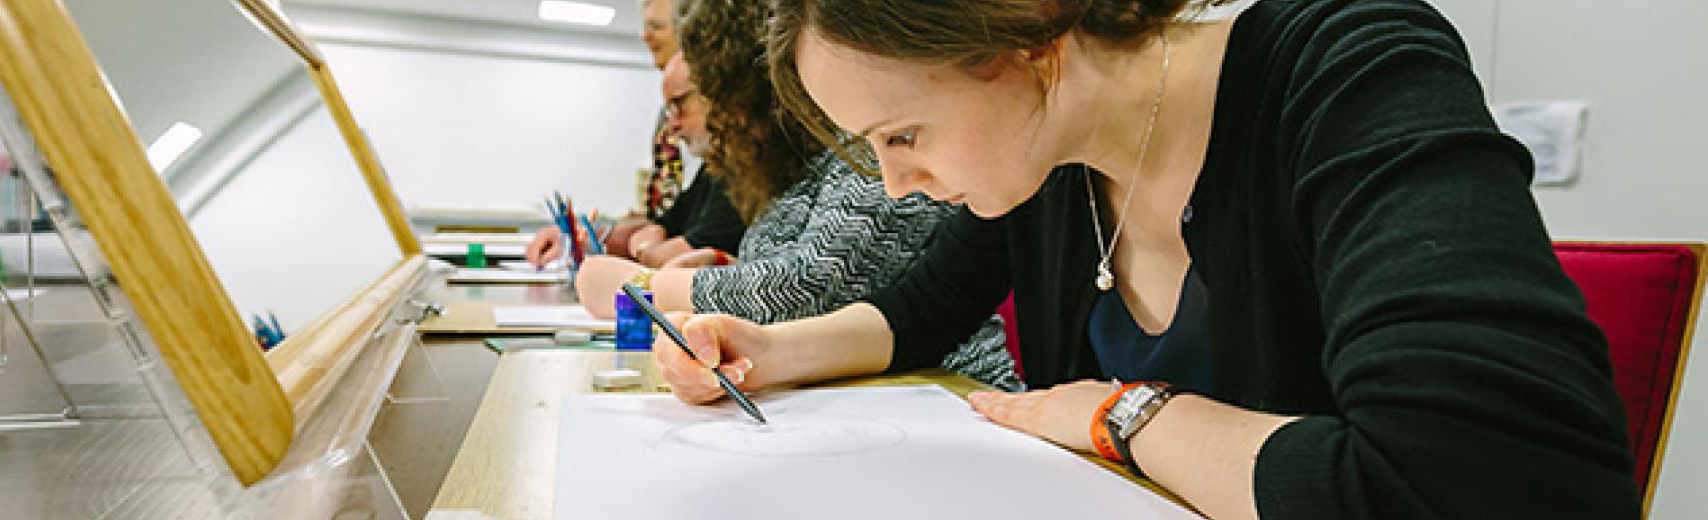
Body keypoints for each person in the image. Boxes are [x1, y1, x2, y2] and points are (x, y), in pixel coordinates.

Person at [652, 0, 1641, 518]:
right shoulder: (1050, 159)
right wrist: (764, 349)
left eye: (901, 132)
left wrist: (1119, 414)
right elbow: (917, 310)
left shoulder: (1349, 69)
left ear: (1025, 39)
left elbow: (1491, 486)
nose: (896, 181)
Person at [574, 0, 1021, 390]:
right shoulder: (794, 167)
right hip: (891, 393)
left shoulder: (865, 149)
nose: (894, 182)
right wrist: (746, 308)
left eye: (695, 98)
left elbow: (812, 284)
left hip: (942, 394)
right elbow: (918, 303)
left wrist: (647, 287)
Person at [527, 0, 718, 264]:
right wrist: (577, 237)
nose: (645, 36)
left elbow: (689, 246)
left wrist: (648, 249)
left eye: (657, 26)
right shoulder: (709, 162)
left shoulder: (739, 159)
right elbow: (664, 224)